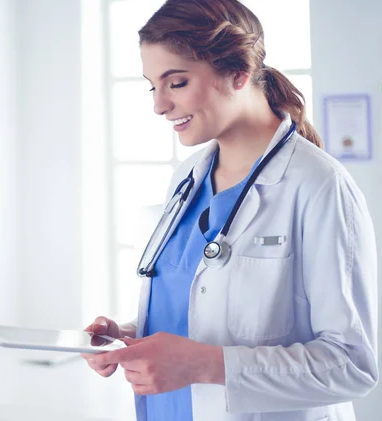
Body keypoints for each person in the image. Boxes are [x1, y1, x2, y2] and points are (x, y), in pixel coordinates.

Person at [81, 1, 379, 420]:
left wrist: (204, 364)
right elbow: (204, 309)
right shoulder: (187, 178)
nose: (159, 105)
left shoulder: (319, 186)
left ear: (238, 73)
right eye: (153, 86)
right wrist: (129, 337)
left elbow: (353, 364)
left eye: (177, 82)